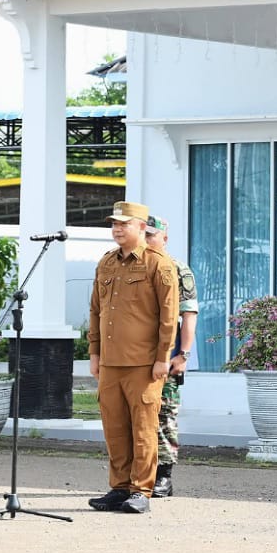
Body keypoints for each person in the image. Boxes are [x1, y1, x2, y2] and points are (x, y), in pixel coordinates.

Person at [87, 201, 178, 514]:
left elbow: (169, 316)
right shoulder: (106, 263)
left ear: (141, 227)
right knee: (115, 428)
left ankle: (141, 491)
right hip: (111, 362)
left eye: (124, 224)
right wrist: (95, 353)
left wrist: (163, 357)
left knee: (142, 428)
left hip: (144, 363)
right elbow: (96, 311)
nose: (116, 229)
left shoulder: (159, 264)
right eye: (114, 223)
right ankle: (120, 486)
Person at [144, 214, 198, 498]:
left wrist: (184, 354)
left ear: (164, 238)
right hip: (136, 354)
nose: (146, 240)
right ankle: (141, 473)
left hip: (167, 354)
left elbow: (188, 314)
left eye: (151, 235)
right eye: (143, 234)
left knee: (164, 414)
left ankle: (164, 476)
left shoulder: (177, 269)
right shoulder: (134, 266)